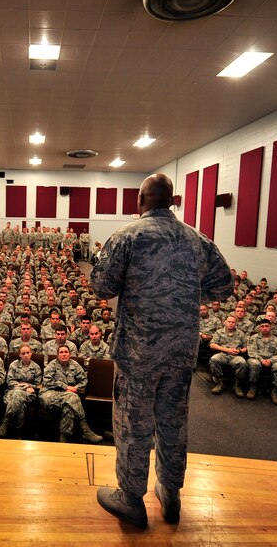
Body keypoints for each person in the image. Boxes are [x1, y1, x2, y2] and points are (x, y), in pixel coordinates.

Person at [91, 173, 232, 529]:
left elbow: (102, 287)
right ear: (171, 201)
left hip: (138, 352)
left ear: (141, 200)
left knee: (133, 423)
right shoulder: (197, 239)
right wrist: (185, 296)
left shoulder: (128, 236)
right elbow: (224, 286)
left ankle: (131, 499)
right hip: (181, 352)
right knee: (173, 421)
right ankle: (170, 493)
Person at [0, 344, 43, 439]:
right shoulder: (14, 365)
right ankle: (18, 432)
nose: (26, 355)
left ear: (31, 353)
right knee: (20, 402)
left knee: (17, 395)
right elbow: (9, 381)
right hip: (13, 390)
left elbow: (38, 384)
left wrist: (30, 386)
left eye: (28, 353)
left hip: (30, 394)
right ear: (19, 355)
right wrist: (24, 387)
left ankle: (5, 422)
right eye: (23, 353)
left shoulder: (36, 367)